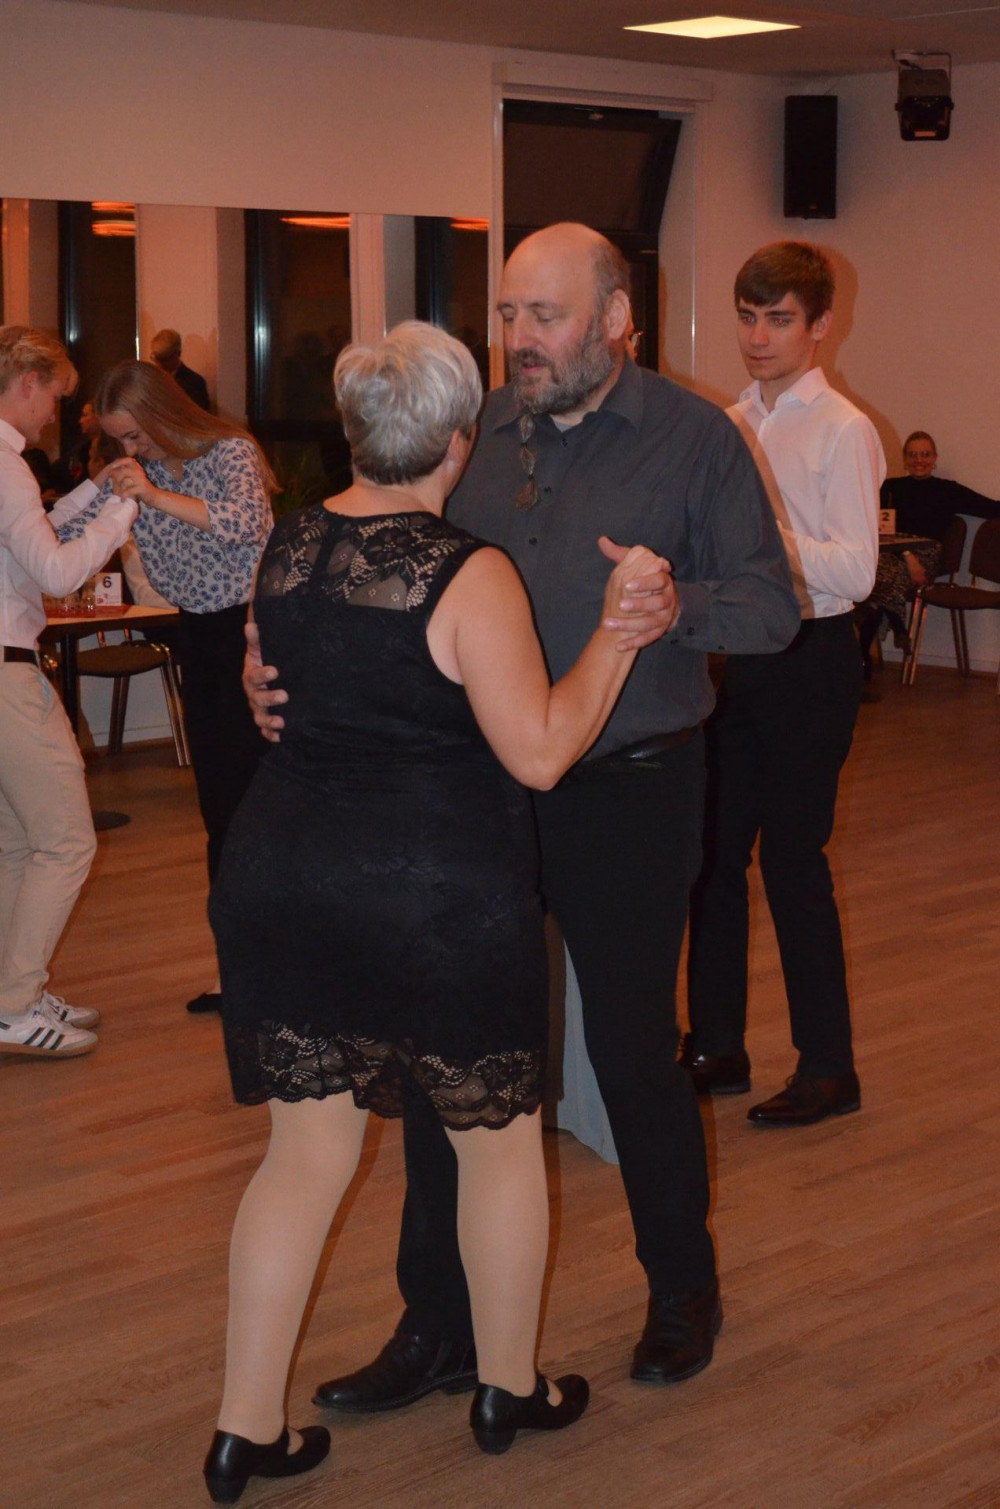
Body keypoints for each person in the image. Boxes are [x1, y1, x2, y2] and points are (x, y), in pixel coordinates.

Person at [245, 222, 799, 1411]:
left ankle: (680, 1291)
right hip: (473, 793)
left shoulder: (695, 438)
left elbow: (772, 609)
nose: (518, 338)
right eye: (506, 315)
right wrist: (277, 665)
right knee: (448, 1059)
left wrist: (672, 606)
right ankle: (437, 1326)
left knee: (629, 1050)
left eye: (543, 315)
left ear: (616, 319)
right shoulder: (471, 432)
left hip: (632, 785)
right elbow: (384, 579)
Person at [202, 321, 663, 1502]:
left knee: (301, 1158)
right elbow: (541, 752)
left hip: (282, 875)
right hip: (433, 890)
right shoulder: (468, 572)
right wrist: (619, 631)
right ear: (459, 440)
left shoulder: (290, 543)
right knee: (495, 1147)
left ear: (355, 429)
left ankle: (244, 1430)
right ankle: (507, 1388)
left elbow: (280, 683)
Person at [683, 241, 884, 1127]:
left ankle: (830, 1068)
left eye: (778, 319)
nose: (758, 337)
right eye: (747, 317)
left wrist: (764, 540)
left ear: (820, 324)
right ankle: (717, 1046)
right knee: (713, 858)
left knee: (794, 861)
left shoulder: (844, 428)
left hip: (812, 657)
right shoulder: (728, 423)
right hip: (736, 657)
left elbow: (859, 569)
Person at [64, 361, 274, 1012]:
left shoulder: (230, 451)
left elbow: (246, 522)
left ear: (163, 413)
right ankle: (239, 972)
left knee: (266, 809)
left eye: (135, 434)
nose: (132, 449)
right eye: (119, 440)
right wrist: (101, 483)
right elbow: (56, 540)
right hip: (201, 642)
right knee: (221, 813)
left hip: (258, 634)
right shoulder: (133, 473)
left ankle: (286, 969)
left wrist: (151, 496)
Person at [0, 326, 137, 1058]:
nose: (54, 412)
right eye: (54, 396)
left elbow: (29, 546)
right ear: (28, 383)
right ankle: (14, 1006)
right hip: (6, 675)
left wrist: (93, 490)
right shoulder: (6, 465)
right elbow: (55, 573)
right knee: (67, 840)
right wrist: (122, 513)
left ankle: (9, 992)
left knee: (18, 843)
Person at [857, 430, 1000, 657]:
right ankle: (883, 637)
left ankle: (866, 653)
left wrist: (911, 557)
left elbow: (990, 508)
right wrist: (906, 554)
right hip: (892, 553)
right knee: (881, 579)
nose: (919, 460)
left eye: (925, 454)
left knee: (877, 583)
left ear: (935, 459)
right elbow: (877, 529)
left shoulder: (948, 490)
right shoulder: (890, 488)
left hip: (926, 556)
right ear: (905, 459)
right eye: (912, 455)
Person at [150, 328, 211, 411]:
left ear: (178, 354)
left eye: (164, 359)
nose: (159, 364)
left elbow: (198, 416)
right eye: (157, 359)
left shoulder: (195, 383)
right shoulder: (151, 379)